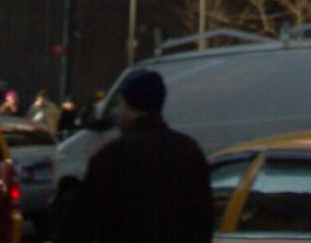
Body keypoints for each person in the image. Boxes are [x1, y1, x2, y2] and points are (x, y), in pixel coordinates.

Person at [81, 68, 213, 243]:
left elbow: (89, 222)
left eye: (120, 104)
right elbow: (204, 217)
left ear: (128, 105)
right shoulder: (189, 151)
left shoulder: (111, 156)